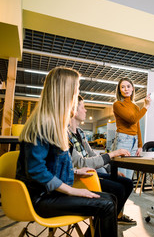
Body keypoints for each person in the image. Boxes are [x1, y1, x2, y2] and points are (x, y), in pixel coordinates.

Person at [16, 66, 118, 237]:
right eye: (76, 88)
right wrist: (74, 191)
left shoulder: (55, 125)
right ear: (66, 92)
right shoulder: (42, 124)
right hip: (40, 199)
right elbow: (36, 171)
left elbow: (51, 164)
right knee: (106, 204)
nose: (77, 92)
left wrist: (76, 171)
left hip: (51, 194)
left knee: (111, 199)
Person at [69, 95, 136, 225]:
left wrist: (111, 169)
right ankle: (100, 225)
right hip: (79, 176)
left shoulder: (80, 132)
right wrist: (112, 154)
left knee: (128, 183)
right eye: (83, 107)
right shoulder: (65, 134)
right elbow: (81, 163)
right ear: (74, 111)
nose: (86, 110)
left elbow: (92, 154)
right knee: (118, 189)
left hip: (91, 172)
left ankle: (102, 223)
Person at [112, 77, 151, 179]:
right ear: (119, 90)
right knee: (121, 176)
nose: (126, 89)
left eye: (128, 86)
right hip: (123, 139)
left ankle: (127, 195)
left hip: (134, 140)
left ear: (132, 88)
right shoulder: (117, 105)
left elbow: (137, 126)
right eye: (123, 87)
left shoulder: (135, 107)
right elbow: (132, 120)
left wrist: (140, 145)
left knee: (129, 178)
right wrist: (145, 107)